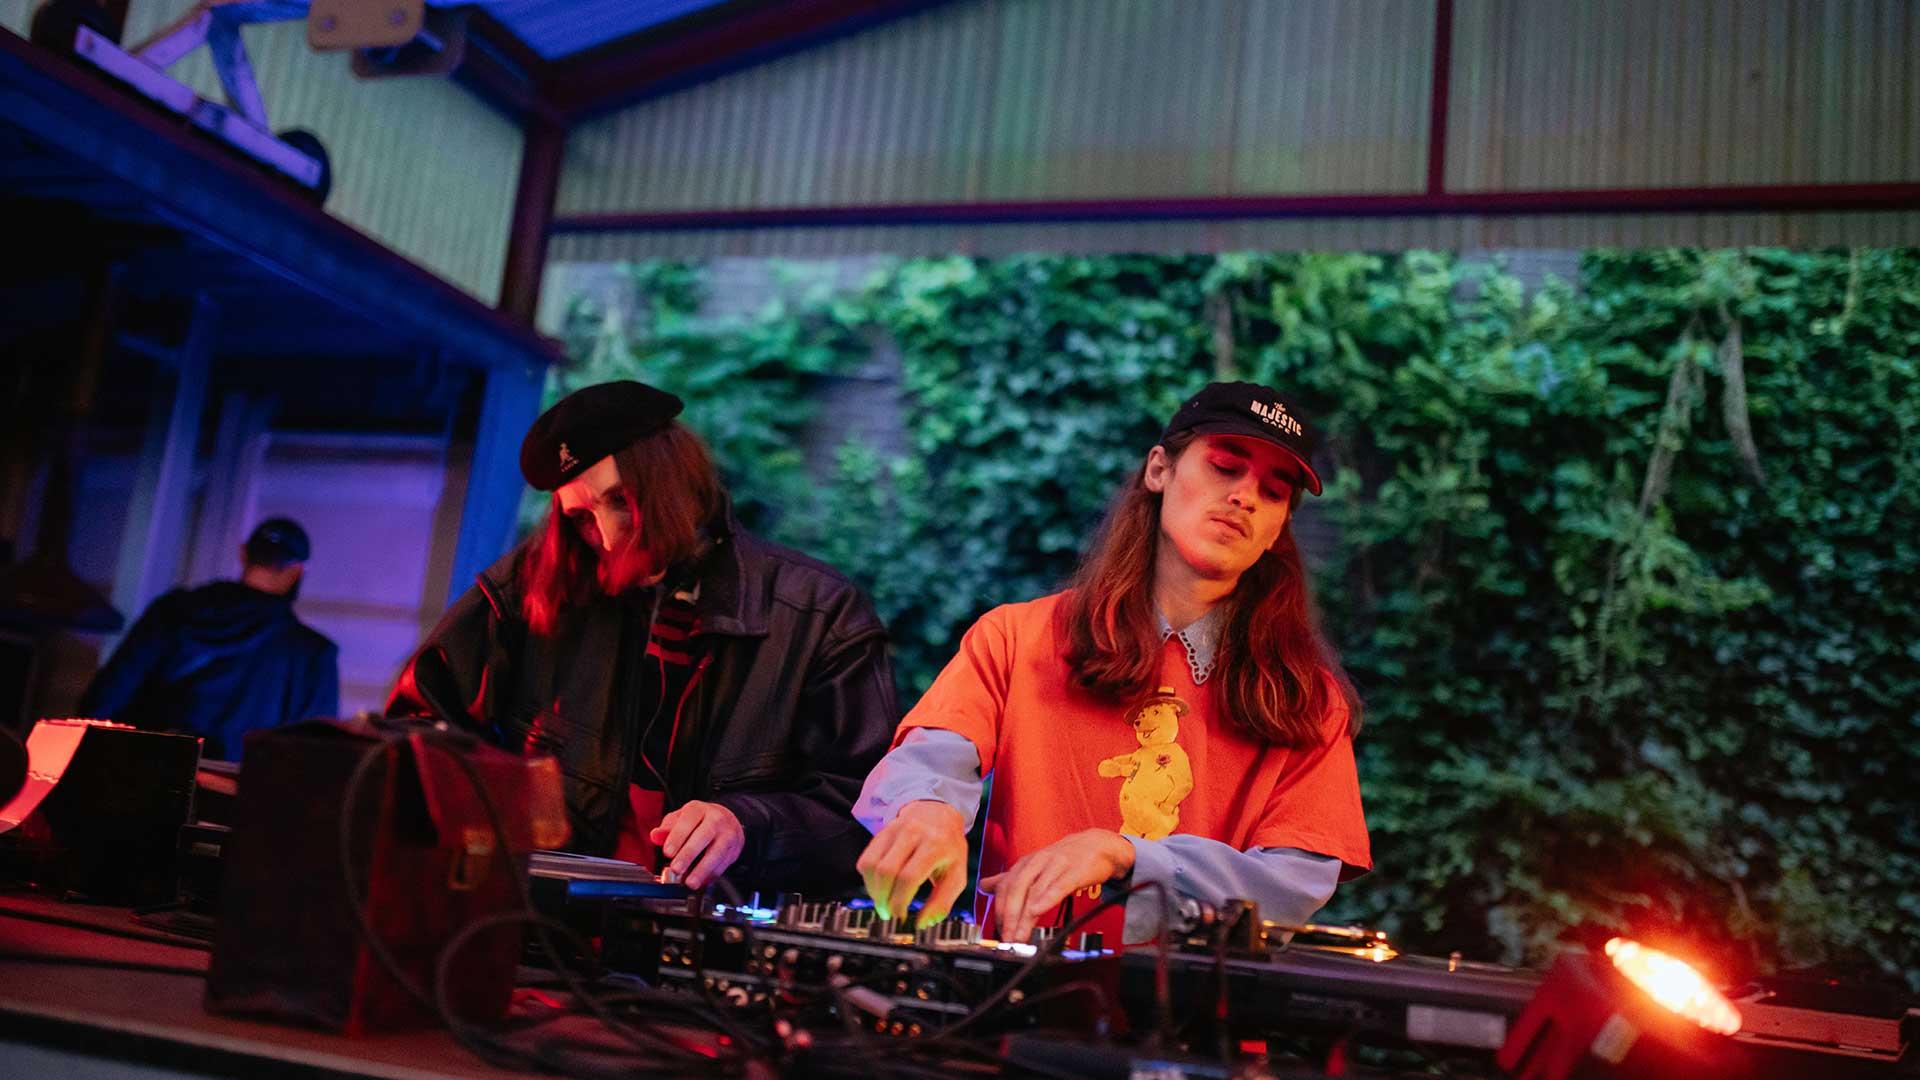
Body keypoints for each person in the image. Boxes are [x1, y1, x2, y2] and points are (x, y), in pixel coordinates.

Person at [853, 382, 1370, 946]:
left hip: (1201, 1001)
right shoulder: (1016, 637)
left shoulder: (1311, 701)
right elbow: (932, 756)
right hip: (1009, 990)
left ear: (1277, 531)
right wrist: (926, 809)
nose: (1245, 497)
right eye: (1225, 466)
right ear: (1159, 470)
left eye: (1273, 492)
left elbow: (1291, 887)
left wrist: (1124, 854)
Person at [387, 380, 896, 897]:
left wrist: (747, 824)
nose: (608, 539)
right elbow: (415, 736)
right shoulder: (528, 587)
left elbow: (867, 815)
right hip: (542, 924)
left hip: (714, 935)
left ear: (673, 480)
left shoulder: (819, 614)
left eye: (621, 502)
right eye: (580, 518)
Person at [78, 518, 339, 761]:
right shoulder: (311, 654)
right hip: (238, 792)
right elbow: (314, 755)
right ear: (296, 572)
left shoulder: (172, 612)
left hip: (149, 777)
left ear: (243, 554)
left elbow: (104, 699)